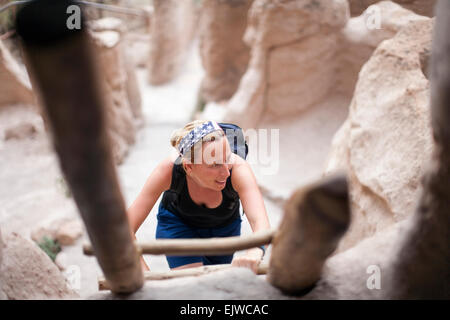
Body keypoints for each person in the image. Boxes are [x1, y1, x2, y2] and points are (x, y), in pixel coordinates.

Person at [126, 120, 271, 273]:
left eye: (227, 159)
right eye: (215, 165)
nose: (226, 173)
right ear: (188, 167)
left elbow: (260, 222)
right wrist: (144, 274)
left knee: (214, 283)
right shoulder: (168, 170)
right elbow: (126, 228)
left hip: (224, 228)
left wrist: (256, 250)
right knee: (193, 282)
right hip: (179, 226)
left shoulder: (238, 169)